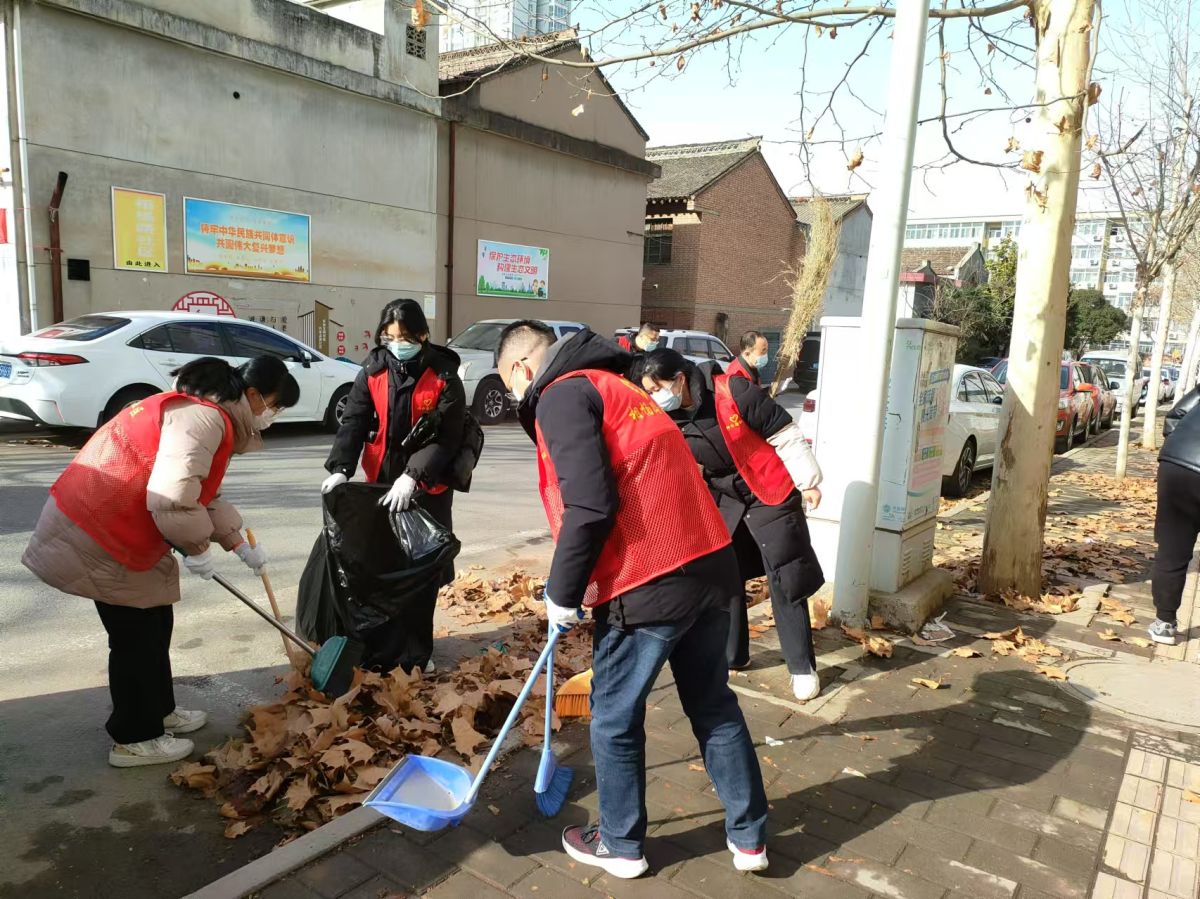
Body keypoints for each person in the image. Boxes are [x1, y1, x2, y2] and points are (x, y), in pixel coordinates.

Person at [497, 321, 769, 878]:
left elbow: (590, 505)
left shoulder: (560, 394)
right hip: (710, 561)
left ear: (523, 368)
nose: (518, 396)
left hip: (651, 577)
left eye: (510, 383)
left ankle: (620, 844)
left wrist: (560, 593)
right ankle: (750, 839)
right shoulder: (613, 385)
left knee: (614, 718)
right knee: (712, 703)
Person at [23, 355, 299, 767]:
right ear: (254, 395)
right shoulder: (204, 420)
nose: (272, 417)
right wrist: (199, 550)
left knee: (155, 621)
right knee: (135, 635)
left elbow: (200, 492)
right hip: (100, 528)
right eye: (275, 406)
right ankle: (134, 737)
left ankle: (158, 711)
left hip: (121, 523)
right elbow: (172, 497)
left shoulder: (207, 415)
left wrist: (235, 542)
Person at [642, 347, 825, 700]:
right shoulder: (668, 415)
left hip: (769, 487)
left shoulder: (733, 391)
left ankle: (802, 667)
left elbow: (783, 432)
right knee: (725, 573)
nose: (654, 397)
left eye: (656, 389)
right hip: (725, 495)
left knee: (784, 574)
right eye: (648, 391)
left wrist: (809, 482)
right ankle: (734, 654)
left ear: (679, 380)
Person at [323, 298, 466, 673]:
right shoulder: (372, 371)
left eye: (404, 337)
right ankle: (384, 648)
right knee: (384, 568)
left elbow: (447, 438)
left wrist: (414, 475)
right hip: (381, 487)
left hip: (426, 490)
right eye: (389, 337)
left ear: (422, 335)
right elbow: (353, 421)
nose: (397, 343)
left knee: (419, 571)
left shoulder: (444, 374)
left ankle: (418, 653)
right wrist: (341, 468)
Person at [1150, 386, 1200, 645]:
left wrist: (1176, 446)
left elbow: (1175, 415)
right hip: (1179, 461)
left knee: (1172, 548)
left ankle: (1164, 624)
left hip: (1179, 464)